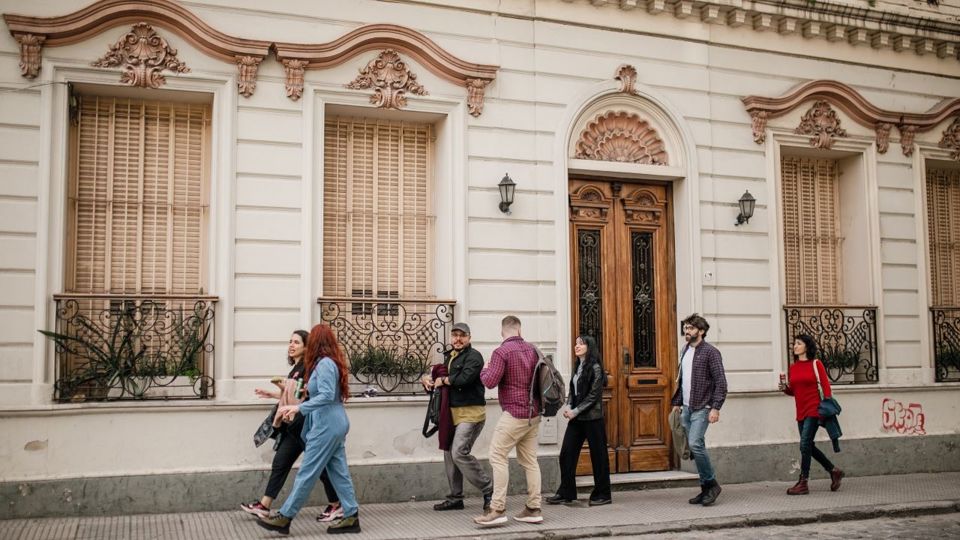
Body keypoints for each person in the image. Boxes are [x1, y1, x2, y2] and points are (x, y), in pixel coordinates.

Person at [256, 324, 361, 535]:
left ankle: (285, 517)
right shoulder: (327, 363)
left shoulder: (324, 364)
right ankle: (351, 516)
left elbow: (326, 395)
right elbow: (324, 394)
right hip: (333, 424)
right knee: (339, 473)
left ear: (318, 342)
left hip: (326, 426)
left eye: (311, 339)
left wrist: (299, 408)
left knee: (307, 472)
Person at [241, 330, 343, 523]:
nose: (291, 345)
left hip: (305, 424)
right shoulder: (296, 368)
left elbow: (305, 396)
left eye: (296, 342)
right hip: (293, 425)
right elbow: (292, 395)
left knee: (319, 466)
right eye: (290, 341)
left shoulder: (309, 367)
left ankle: (337, 504)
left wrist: (286, 393)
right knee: (281, 462)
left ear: (306, 347)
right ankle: (264, 505)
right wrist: (273, 394)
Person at [474, 315, 543, 527]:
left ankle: (497, 509)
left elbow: (489, 381)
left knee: (497, 456)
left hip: (514, 413)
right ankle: (534, 508)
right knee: (530, 461)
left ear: (502, 331)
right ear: (519, 330)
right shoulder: (533, 349)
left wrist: (485, 368)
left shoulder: (501, 352)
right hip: (534, 413)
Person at [422, 322, 494, 512]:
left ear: (469, 337)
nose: (458, 339)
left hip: (470, 414)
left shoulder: (474, 357)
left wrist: (443, 380)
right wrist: (429, 380)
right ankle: (456, 498)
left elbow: (464, 379)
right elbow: (439, 377)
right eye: (455, 335)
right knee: (448, 452)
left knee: (459, 452)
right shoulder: (449, 357)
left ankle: (489, 490)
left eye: (462, 335)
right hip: (450, 414)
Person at [547, 335, 611, 506]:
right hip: (577, 418)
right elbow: (573, 390)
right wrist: (568, 406)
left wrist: (574, 412)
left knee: (599, 456)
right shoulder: (578, 366)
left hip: (593, 419)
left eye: (581, 344)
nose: (577, 346)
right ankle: (566, 492)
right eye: (576, 343)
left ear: (590, 347)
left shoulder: (596, 368)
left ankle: (603, 494)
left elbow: (593, 396)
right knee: (566, 454)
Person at [671, 313, 727, 506]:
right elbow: (682, 380)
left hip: (703, 407)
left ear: (701, 331)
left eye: (691, 328)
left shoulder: (711, 352)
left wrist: (715, 408)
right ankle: (705, 488)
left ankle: (712, 484)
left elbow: (721, 382)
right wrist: (677, 402)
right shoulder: (685, 350)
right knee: (696, 448)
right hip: (687, 408)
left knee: (695, 444)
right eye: (686, 328)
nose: (687, 331)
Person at [779, 334, 844, 495]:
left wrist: (825, 407)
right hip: (800, 411)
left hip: (814, 410)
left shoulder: (816, 364)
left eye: (799, 343)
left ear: (807, 346)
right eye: (794, 343)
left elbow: (826, 387)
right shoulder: (793, 367)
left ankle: (803, 482)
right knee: (808, 445)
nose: (795, 346)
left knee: (804, 445)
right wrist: (785, 389)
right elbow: (794, 391)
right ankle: (833, 470)